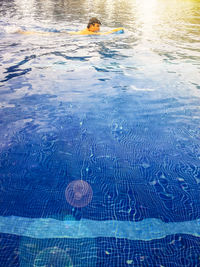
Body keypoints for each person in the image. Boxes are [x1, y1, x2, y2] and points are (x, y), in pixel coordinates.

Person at [17, 17, 124, 35]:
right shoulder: (87, 32)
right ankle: (22, 32)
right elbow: (104, 34)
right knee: (42, 34)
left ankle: (22, 31)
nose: (98, 28)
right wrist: (116, 29)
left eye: (99, 26)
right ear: (90, 26)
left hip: (67, 33)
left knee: (43, 33)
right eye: (96, 26)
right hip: (66, 35)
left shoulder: (88, 31)